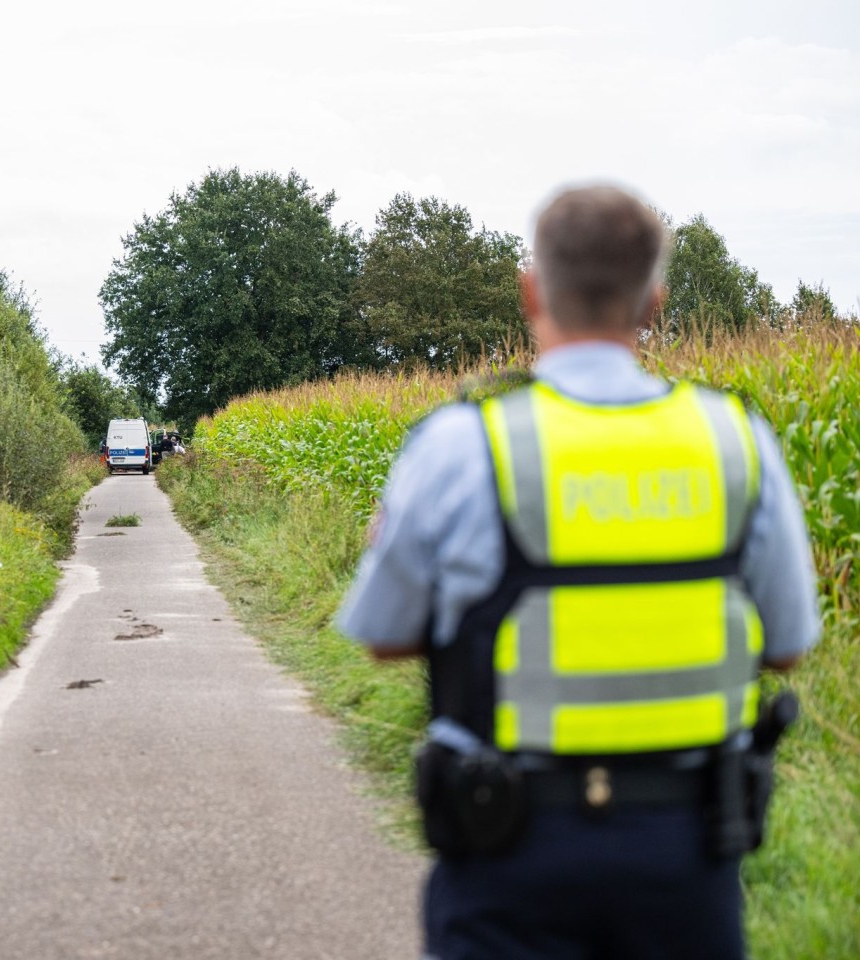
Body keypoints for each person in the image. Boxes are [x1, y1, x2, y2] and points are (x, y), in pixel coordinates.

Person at [336, 185, 819, 960]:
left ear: (532, 290)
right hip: (687, 854)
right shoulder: (736, 441)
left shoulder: (464, 445)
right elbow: (789, 642)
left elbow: (383, 636)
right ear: (654, 302)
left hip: (508, 847)